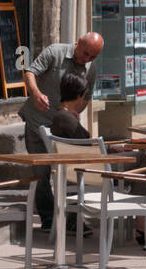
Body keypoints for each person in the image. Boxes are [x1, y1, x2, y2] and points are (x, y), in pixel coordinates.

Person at [19, 32, 104, 230]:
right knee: (42, 173)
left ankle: (73, 219)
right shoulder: (55, 52)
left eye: (93, 57)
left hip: (65, 125)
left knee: (71, 173)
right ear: (78, 43)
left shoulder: (90, 68)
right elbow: (30, 72)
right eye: (85, 54)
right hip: (38, 121)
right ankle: (48, 219)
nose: (87, 59)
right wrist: (36, 93)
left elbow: (86, 97)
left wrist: (75, 111)